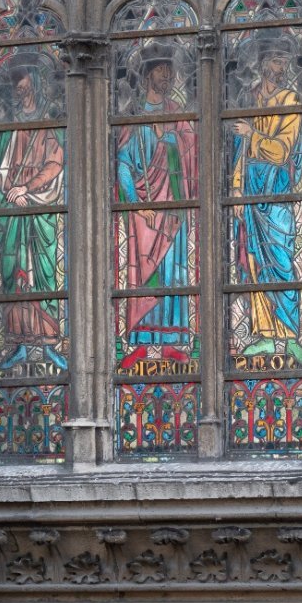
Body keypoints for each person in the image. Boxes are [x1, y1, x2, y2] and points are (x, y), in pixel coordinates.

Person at [115, 43, 199, 370]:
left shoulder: (177, 114)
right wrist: (136, 204)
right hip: (145, 213)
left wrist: (174, 139)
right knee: (145, 276)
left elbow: (193, 153)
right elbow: (123, 164)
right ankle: (143, 341)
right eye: (163, 73)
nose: (168, 78)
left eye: (171, 73)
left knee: (175, 273)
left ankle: (172, 341)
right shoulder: (133, 118)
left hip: (174, 208)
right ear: (149, 76)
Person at [229, 33, 302, 366]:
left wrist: (253, 136)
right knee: (252, 263)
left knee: (280, 261)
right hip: (249, 193)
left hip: (276, 195)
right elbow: (237, 155)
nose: (282, 68)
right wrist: (234, 189)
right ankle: (263, 334)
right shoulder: (248, 99)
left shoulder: (291, 102)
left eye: (285, 62)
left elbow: (281, 152)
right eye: (276, 61)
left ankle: (290, 335)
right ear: (263, 65)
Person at [0, 56, 67, 371]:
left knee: (45, 274)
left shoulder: (49, 122)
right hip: (12, 211)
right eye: (13, 85)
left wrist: (29, 189)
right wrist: (10, 190)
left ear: (33, 82)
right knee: (13, 275)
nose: (17, 91)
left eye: (20, 83)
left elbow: (55, 163)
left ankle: (48, 342)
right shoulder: (8, 126)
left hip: (40, 208)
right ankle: (17, 342)